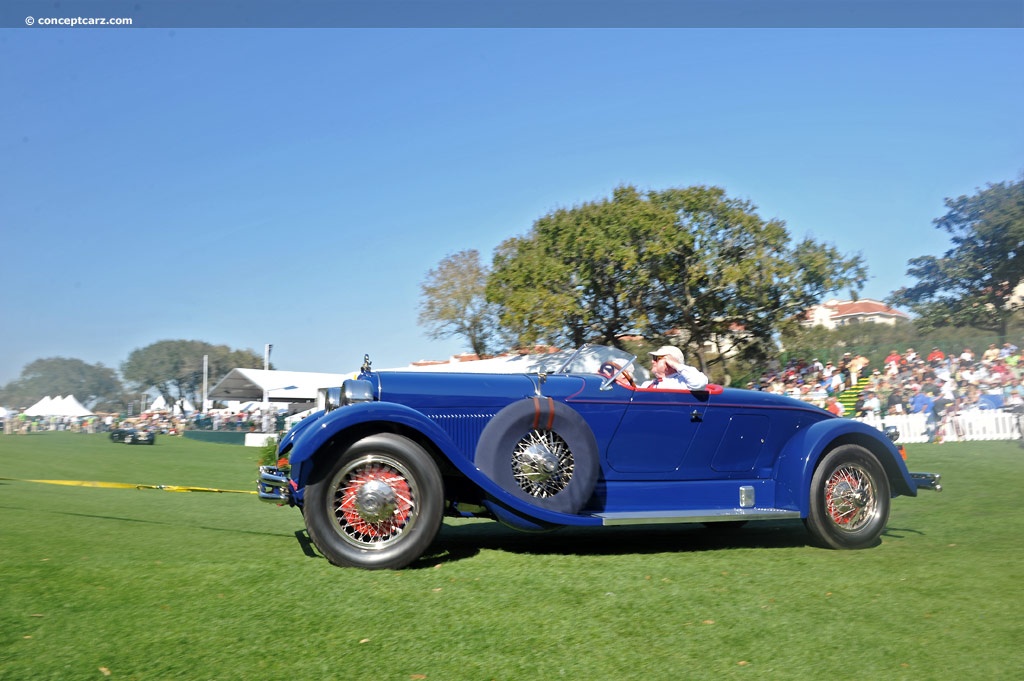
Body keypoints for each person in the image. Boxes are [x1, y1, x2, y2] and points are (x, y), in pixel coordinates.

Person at [641, 346, 709, 390]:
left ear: (671, 361)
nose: (652, 361)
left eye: (656, 358)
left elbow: (700, 382)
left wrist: (676, 365)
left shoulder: (681, 382)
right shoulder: (647, 384)